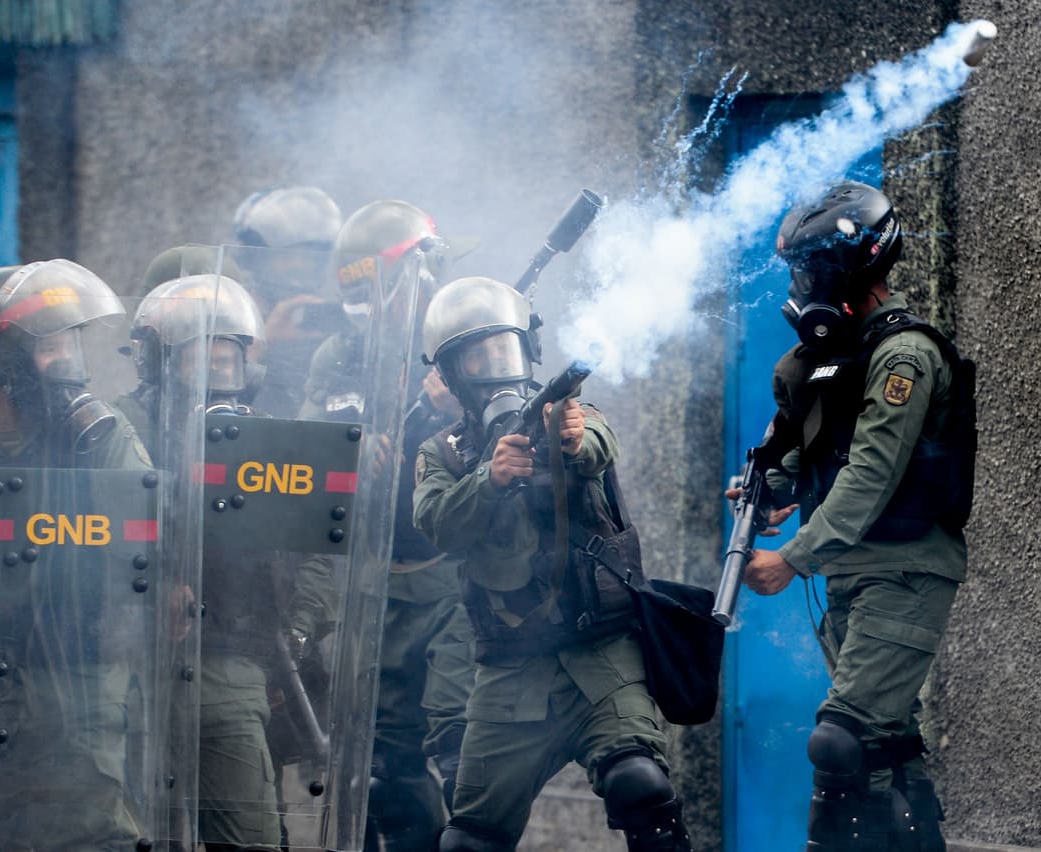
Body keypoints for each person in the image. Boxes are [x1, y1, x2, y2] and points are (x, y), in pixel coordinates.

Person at [411, 276, 691, 851]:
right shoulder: (440, 454)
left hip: (603, 660)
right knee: (468, 841)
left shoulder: (577, 416)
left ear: (528, 353)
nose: (496, 369)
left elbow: (597, 447)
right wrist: (488, 481)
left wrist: (569, 441)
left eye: (505, 350)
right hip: (511, 670)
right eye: (477, 357)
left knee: (642, 789)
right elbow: (438, 524)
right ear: (452, 374)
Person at [739, 181, 972, 852]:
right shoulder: (840, 359)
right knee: (885, 748)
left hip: (903, 572)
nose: (802, 283)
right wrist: (772, 485)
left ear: (853, 265)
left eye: (811, 268)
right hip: (855, 575)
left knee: (837, 741)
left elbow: (873, 473)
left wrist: (791, 559)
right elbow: (825, 457)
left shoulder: (905, 356)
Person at [116, 273, 337, 851]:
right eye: (199, 358)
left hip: (235, 661)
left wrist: (297, 629)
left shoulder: (267, 438)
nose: (217, 373)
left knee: (252, 836)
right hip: (130, 665)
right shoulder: (119, 433)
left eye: (228, 358)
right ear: (160, 364)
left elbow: (313, 547)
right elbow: (95, 535)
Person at [0, 258, 157, 851]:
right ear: (6, 361)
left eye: (72, 346)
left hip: (84, 665)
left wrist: (101, 437)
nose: (67, 366)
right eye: (50, 350)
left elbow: (148, 528)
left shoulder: (98, 435)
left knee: (97, 827)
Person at [300, 200, 476, 852]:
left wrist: (446, 414)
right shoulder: (336, 357)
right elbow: (309, 455)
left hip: (455, 579)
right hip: (371, 584)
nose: (365, 303)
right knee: (385, 769)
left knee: (463, 746)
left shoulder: (462, 341)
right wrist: (352, 452)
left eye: (372, 285)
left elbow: (516, 453)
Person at [231, 185, 345, 417]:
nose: (299, 267)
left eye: (309, 258)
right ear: (256, 259)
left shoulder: (329, 320)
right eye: (287, 257)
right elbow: (205, 403)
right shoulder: (233, 317)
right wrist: (261, 345)